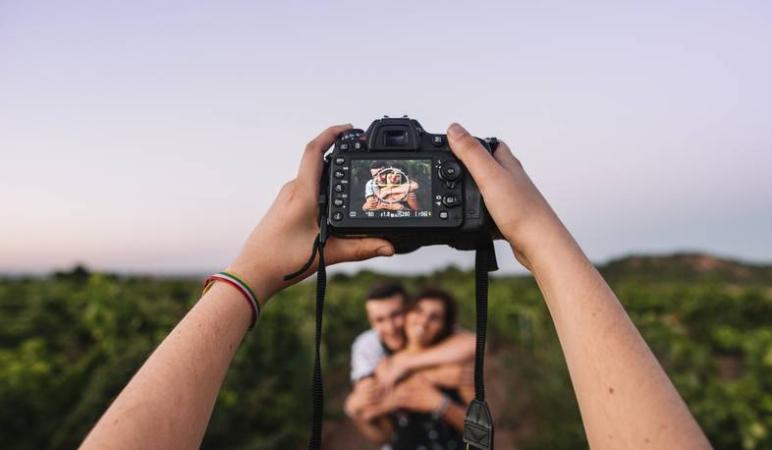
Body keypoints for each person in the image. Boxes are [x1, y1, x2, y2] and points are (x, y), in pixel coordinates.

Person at [80, 123, 713, 450]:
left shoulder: (421, 348)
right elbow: (367, 406)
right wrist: (542, 242)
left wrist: (251, 272)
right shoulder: (383, 351)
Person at [344, 285, 474, 447]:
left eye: (434, 317)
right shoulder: (383, 367)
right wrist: (360, 412)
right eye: (418, 311)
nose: (423, 321)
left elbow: (482, 434)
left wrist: (441, 404)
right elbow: (384, 437)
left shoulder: (456, 366)